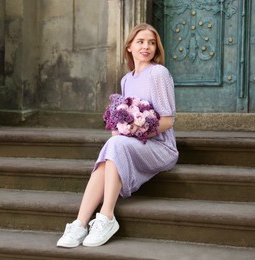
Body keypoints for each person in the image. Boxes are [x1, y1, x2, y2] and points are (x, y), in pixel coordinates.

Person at [56, 23, 179, 248]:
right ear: (129, 47)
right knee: (111, 151)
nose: (146, 47)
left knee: (116, 145)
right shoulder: (126, 80)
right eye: (140, 42)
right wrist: (121, 127)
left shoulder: (158, 73)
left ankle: (106, 215)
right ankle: (80, 223)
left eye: (151, 43)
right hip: (132, 144)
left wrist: (136, 130)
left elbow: (168, 120)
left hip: (161, 147)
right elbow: (122, 120)